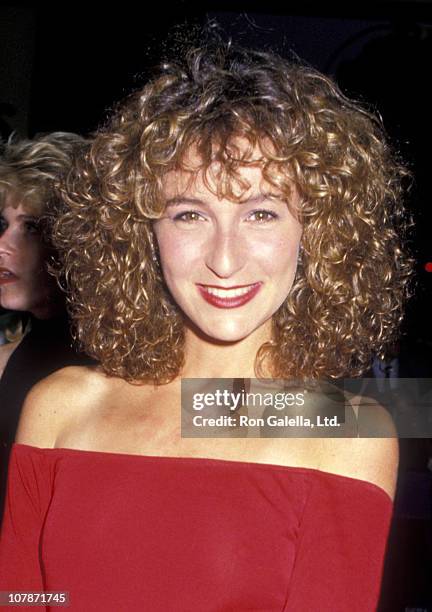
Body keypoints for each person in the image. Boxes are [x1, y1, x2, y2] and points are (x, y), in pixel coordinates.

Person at [0, 44, 411, 611]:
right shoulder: (62, 406)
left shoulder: (346, 431)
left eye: (261, 213)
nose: (224, 258)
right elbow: (18, 596)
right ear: (142, 229)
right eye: (189, 214)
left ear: (316, 232)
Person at [0, 133, 94, 517]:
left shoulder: (128, 356)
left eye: (32, 227)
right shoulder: (13, 357)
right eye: (2, 224)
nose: (2, 245)